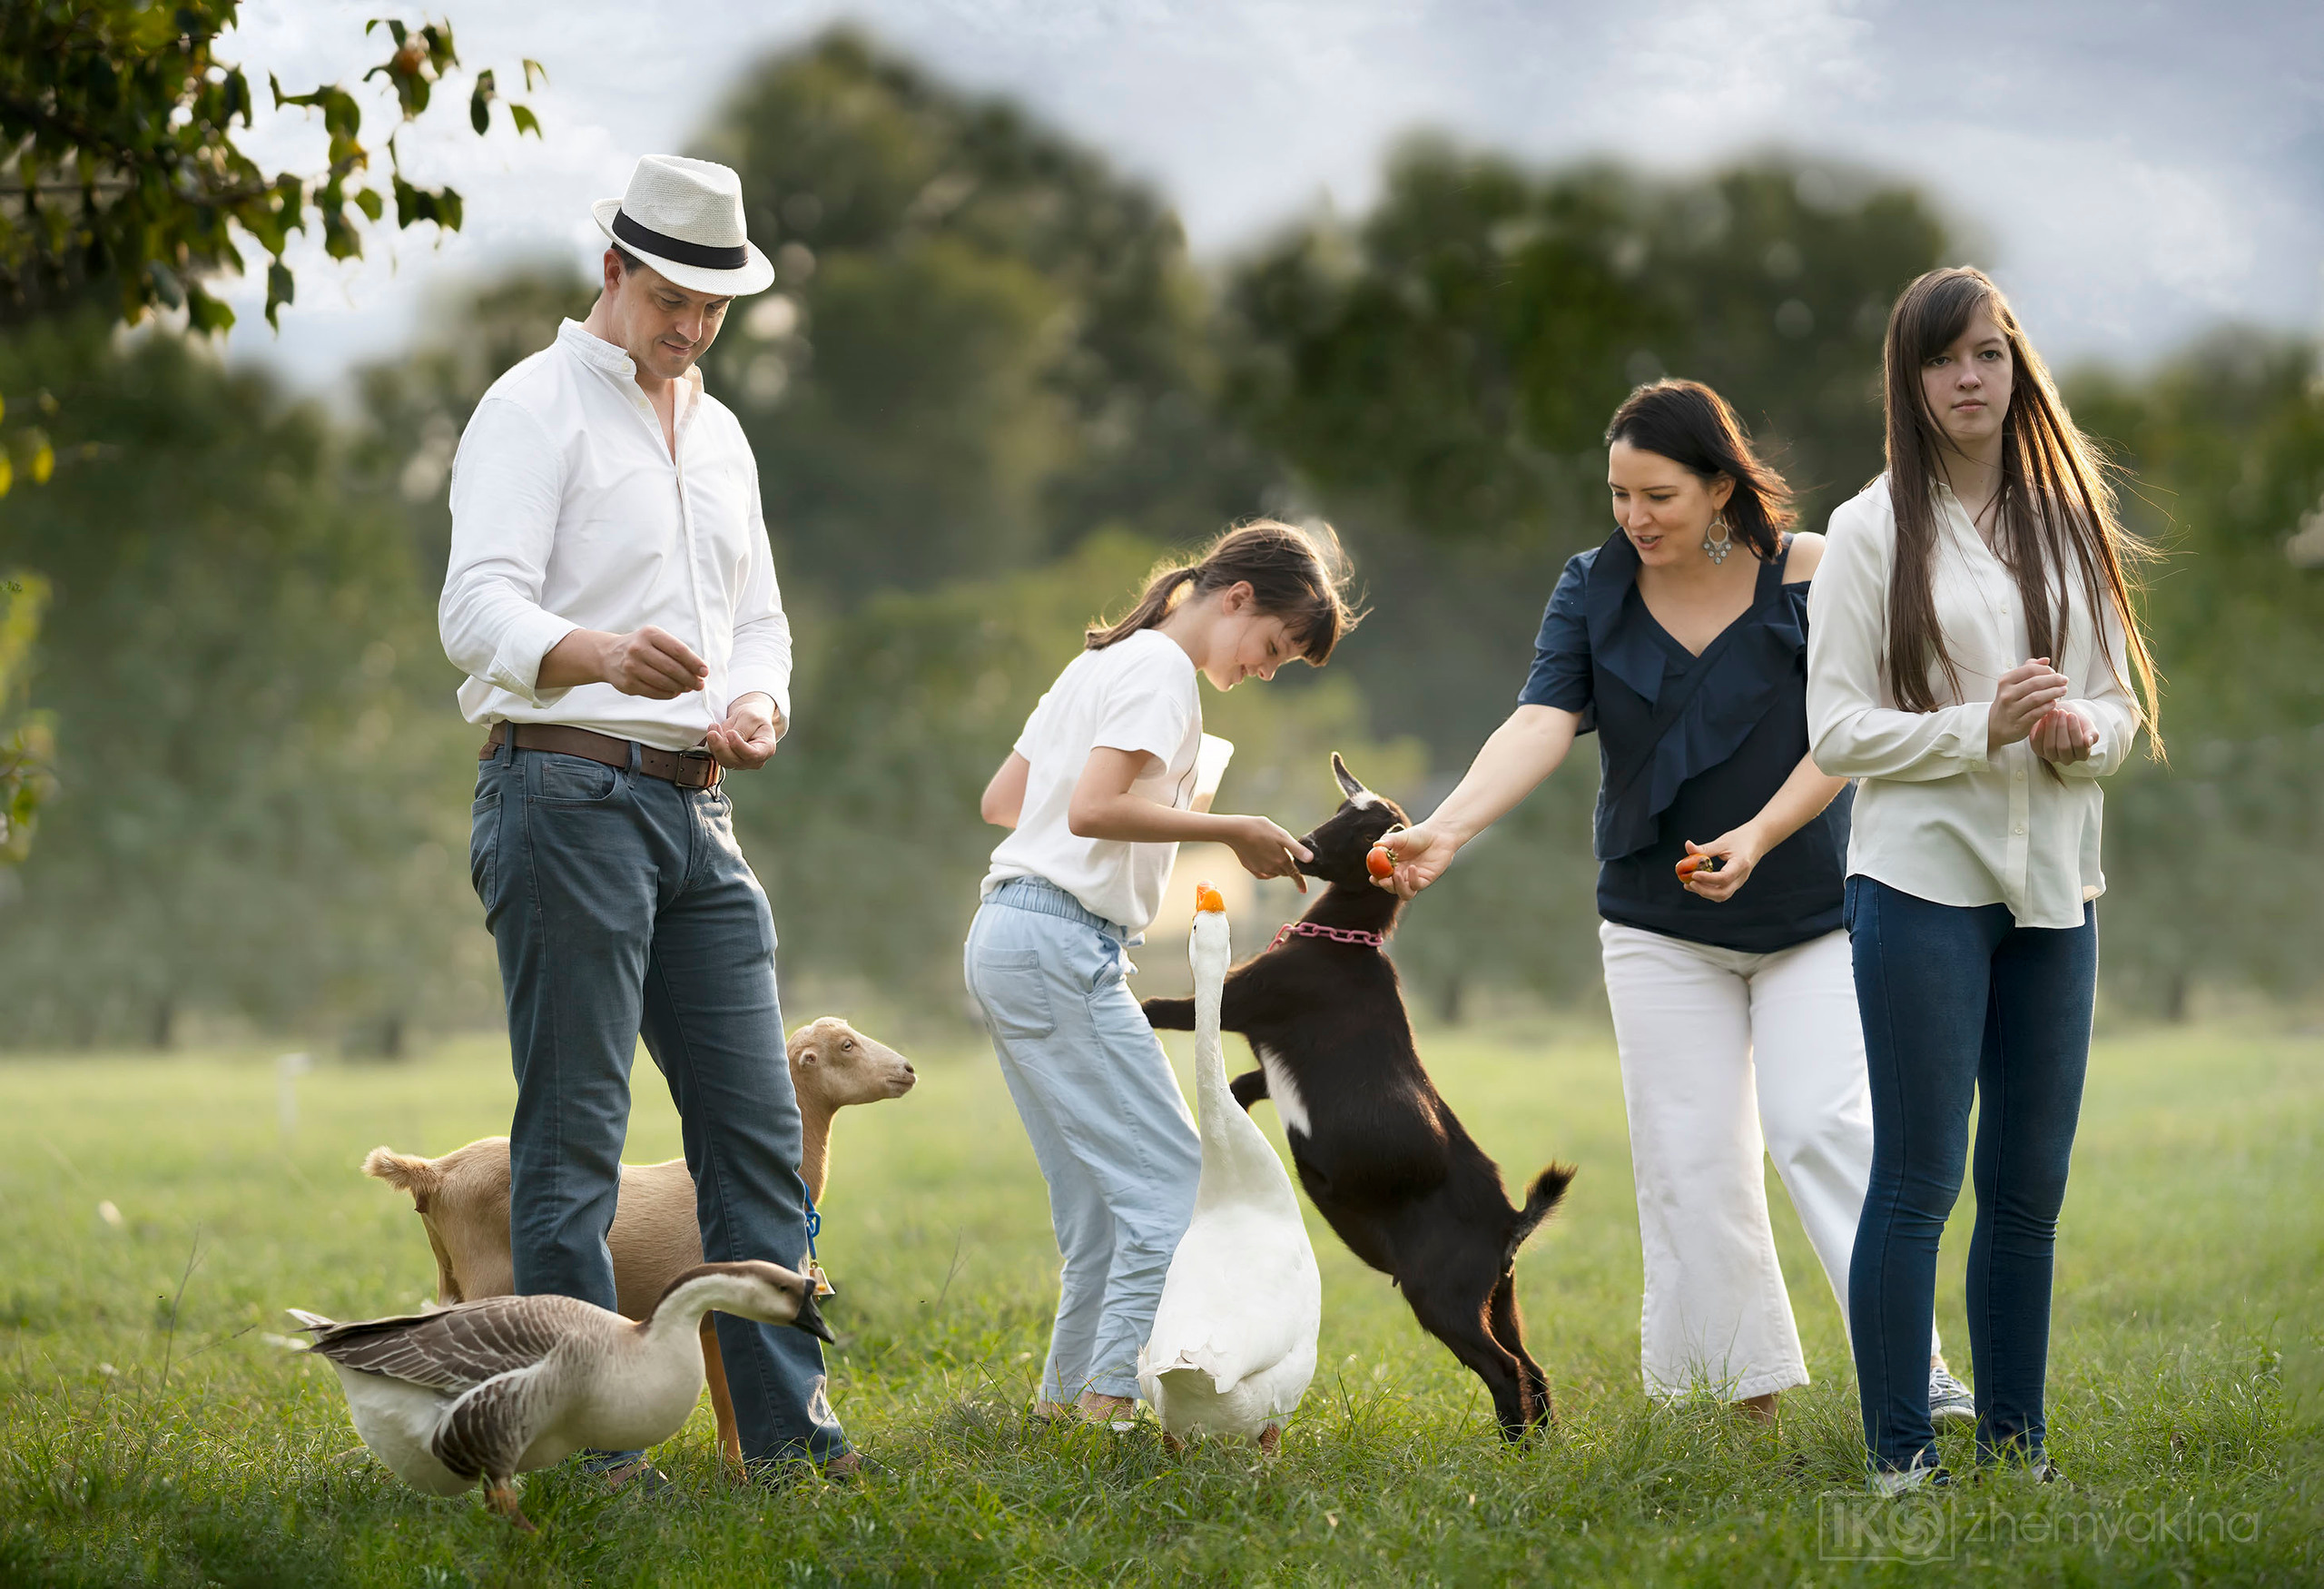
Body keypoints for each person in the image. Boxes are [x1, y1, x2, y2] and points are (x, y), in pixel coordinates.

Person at [1378, 380, 1958, 1424]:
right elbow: (1540, 721)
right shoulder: (1589, 587)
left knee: (1819, 1126)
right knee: (1689, 1160)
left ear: (1722, 485)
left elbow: (1851, 731)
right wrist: (1447, 827)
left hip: (1814, 912)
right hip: (1657, 923)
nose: (1635, 517)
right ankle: (1743, 1401)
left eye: (1659, 494)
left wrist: (1759, 834)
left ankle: (1916, 1378)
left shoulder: (1813, 569)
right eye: (1617, 495)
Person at [439, 154, 851, 1482]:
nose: (691, 329)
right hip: (562, 789)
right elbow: (475, 609)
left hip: (699, 809)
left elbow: (762, 621)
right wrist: (600, 652)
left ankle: (791, 1442)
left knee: (755, 1132)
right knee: (576, 1137)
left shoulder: (723, 433)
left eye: (714, 309)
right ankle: (593, 1455)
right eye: (673, 298)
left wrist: (761, 701)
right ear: (614, 270)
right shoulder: (532, 406)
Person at [1808, 267, 2159, 1491]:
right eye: (1944, 359)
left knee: (2028, 1188)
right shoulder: (1868, 530)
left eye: (1990, 355)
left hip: (2060, 890)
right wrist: (1980, 727)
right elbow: (1838, 731)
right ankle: (1902, 1458)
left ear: (2018, 369)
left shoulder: (2070, 520)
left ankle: (2019, 1449)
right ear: (1910, 382)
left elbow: (2115, 701)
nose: (1970, 377)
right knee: (1918, 1178)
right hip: (1918, 888)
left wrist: (2082, 737)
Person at [967, 521, 1356, 1426]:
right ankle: (1109, 1400)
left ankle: (1062, 1407)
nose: (1264, 668)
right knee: (1170, 1179)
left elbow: (1005, 803)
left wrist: (1173, 804)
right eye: (1271, 647)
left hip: (1009, 937)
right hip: (1061, 945)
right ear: (1236, 598)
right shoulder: (1161, 675)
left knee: (1099, 1201)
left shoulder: (1103, 661)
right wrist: (1229, 827)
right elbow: (1096, 807)